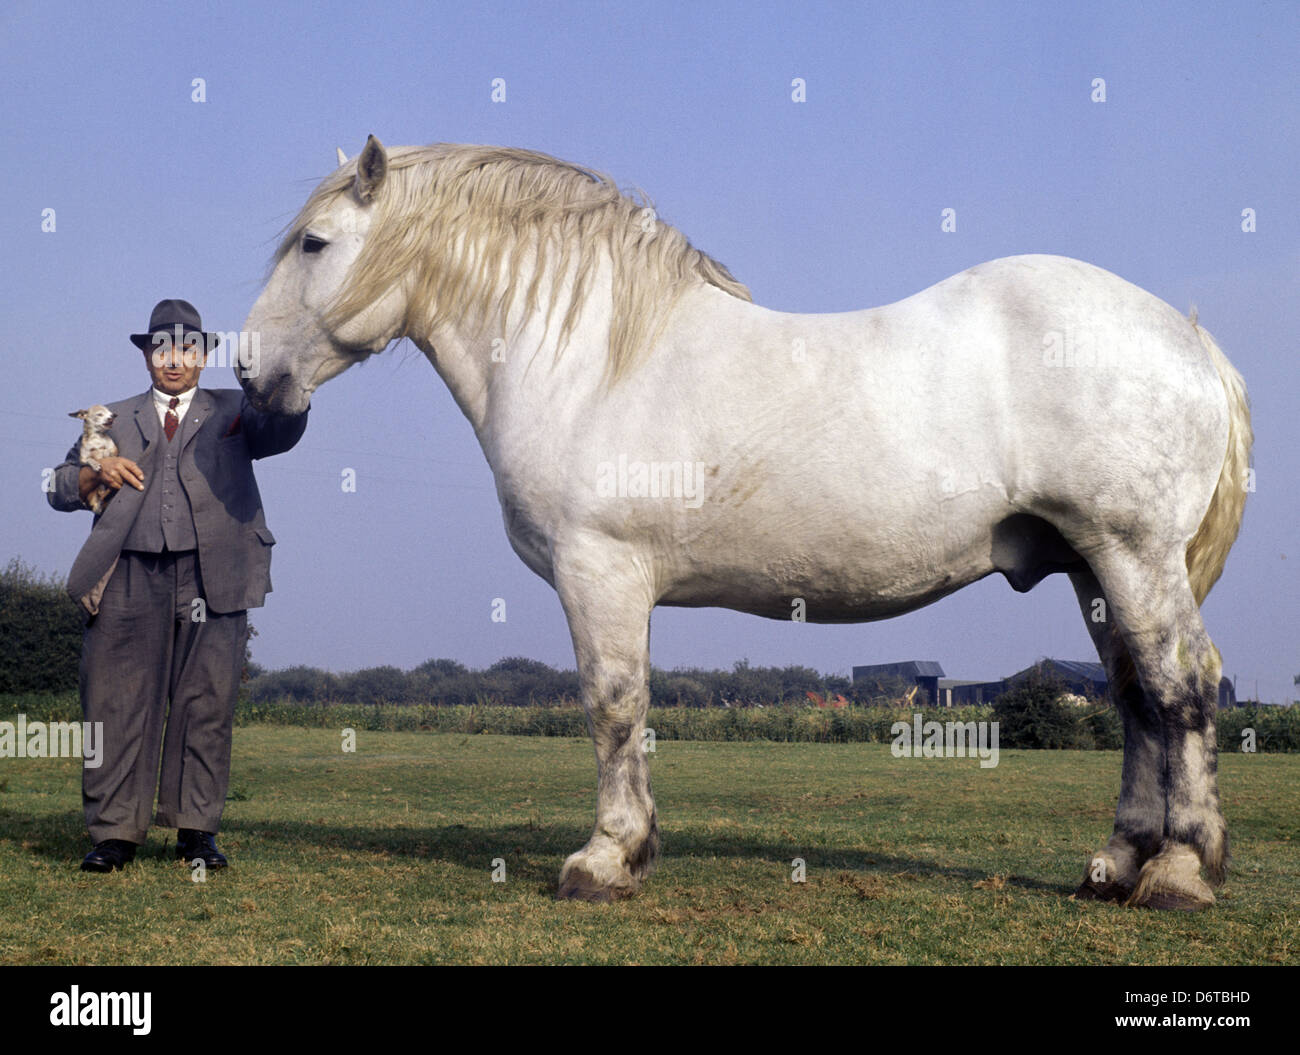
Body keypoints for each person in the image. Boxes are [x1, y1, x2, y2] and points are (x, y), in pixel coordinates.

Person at [48, 299, 309, 872]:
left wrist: (294, 384)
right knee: (113, 704)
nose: (173, 359)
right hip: (126, 574)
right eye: (161, 347)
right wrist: (96, 473)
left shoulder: (238, 411)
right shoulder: (109, 418)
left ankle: (195, 832)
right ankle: (114, 835)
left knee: (206, 704)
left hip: (213, 576)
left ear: (204, 355)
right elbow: (58, 486)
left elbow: (283, 430)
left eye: (187, 348)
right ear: (146, 354)